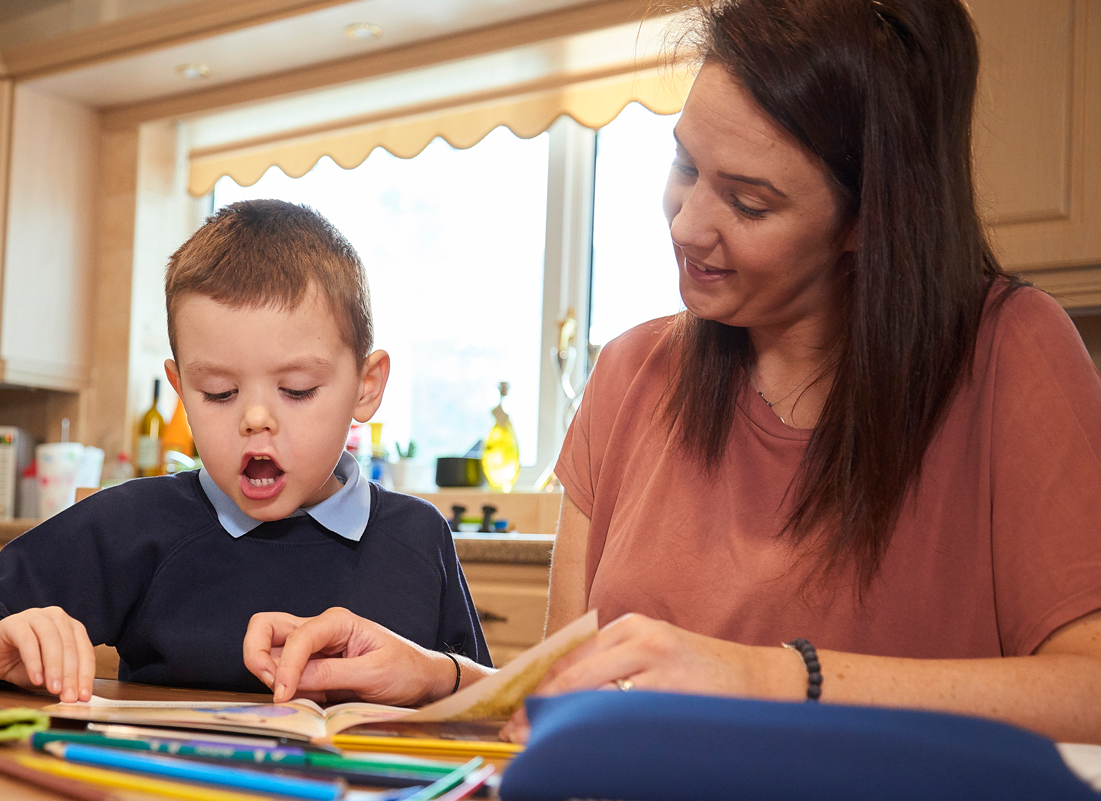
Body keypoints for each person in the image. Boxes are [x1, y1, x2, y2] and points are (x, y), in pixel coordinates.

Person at [241, 0, 1101, 746]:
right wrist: (442, 677)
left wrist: (773, 677)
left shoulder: (1009, 352)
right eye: (685, 164)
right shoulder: (631, 374)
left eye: (750, 201)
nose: (687, 224)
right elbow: (569, 695)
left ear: (869, 219)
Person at [0, 199, 489, 702]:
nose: (255, 418)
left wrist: (443, 676)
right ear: (181, 391)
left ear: (366, 386)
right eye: (219, 393)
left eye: (296, 390)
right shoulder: (134, 524)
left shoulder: (419, 537)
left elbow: (496, 706)